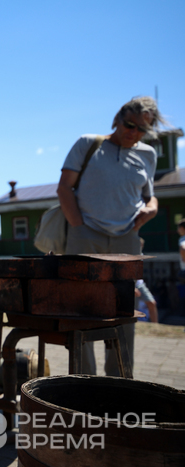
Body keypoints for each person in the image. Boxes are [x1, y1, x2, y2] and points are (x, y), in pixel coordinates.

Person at [58, 96, 164, 377]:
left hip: (126, 240)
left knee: (124, 310)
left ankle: (120, 382)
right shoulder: (88, 144)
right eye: (130, 125)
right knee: (81, 309)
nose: (134, 133)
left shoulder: (148, 155)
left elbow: (149, 196)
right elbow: (64, 188)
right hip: (86, 235)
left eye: (143, 129)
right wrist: (78, 226)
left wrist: (153, 208)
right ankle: (83, 381)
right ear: (118, 119)